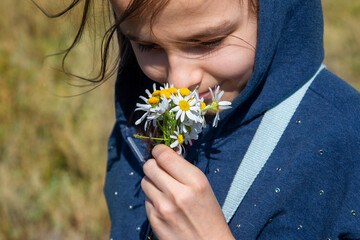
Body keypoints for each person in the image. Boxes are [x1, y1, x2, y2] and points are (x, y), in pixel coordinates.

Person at [39, 0, 360, 239]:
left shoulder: (346, 138)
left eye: (207, 42)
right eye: (148, 45)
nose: (177, 84)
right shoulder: (141, 128)